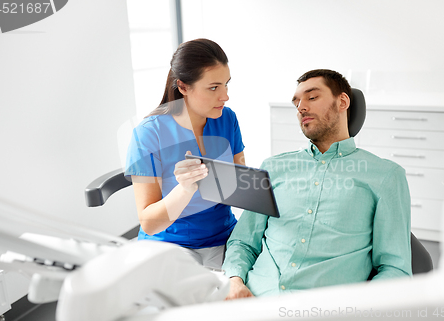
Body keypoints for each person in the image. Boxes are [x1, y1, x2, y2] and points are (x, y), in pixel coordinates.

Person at [222, 69, 411, 299]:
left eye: (312, 97)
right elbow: (243, 242)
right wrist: (235, 281)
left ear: (342, 102)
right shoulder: (272, 168)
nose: (301, 107)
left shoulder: (386, 175)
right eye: (297, 102)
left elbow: (395, 269)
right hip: (254, 300)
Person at [124, 38, 245, 269]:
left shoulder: (227, 118)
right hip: (169, 243)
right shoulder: (149, 134)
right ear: (183, 87)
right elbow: (149, 223)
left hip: (223, 238)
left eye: (226, 84)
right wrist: (185, 189)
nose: (225, 96)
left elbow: (238, 184)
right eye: (213, 88)